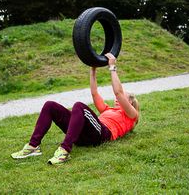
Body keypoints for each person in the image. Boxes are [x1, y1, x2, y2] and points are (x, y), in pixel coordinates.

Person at [11, 53, 139, 165]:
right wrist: (93, 68)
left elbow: (118, 93)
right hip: (82, 136)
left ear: (130, 102)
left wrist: (112, 67)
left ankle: (64, 150)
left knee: (79, 106)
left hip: (102, 135)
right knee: (50, 105)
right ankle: (33, 146)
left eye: (123, 96)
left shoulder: (131, 115)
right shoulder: (107, 110)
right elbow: (94, 93)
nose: (117, 99)